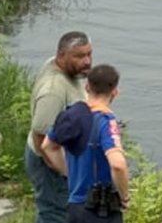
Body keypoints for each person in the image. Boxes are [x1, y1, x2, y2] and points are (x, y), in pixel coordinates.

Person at [42, 65, 130, 223]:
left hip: (75, 206)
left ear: (87, 87)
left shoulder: (72, 115)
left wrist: (68, 173)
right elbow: (118, 165)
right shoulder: (106, 123)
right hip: (101, 210)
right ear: (115, 92)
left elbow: (47, 146)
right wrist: (124, 196)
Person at [26, 32, 94, 223]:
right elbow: (41, 134)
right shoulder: (53, 90)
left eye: (89, 54)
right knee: (55, 215)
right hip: (50, 166)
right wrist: (66, 172)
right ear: (61, 56)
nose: (87, 61)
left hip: (61, 160)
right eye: (79, 56)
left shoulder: (64, 71)